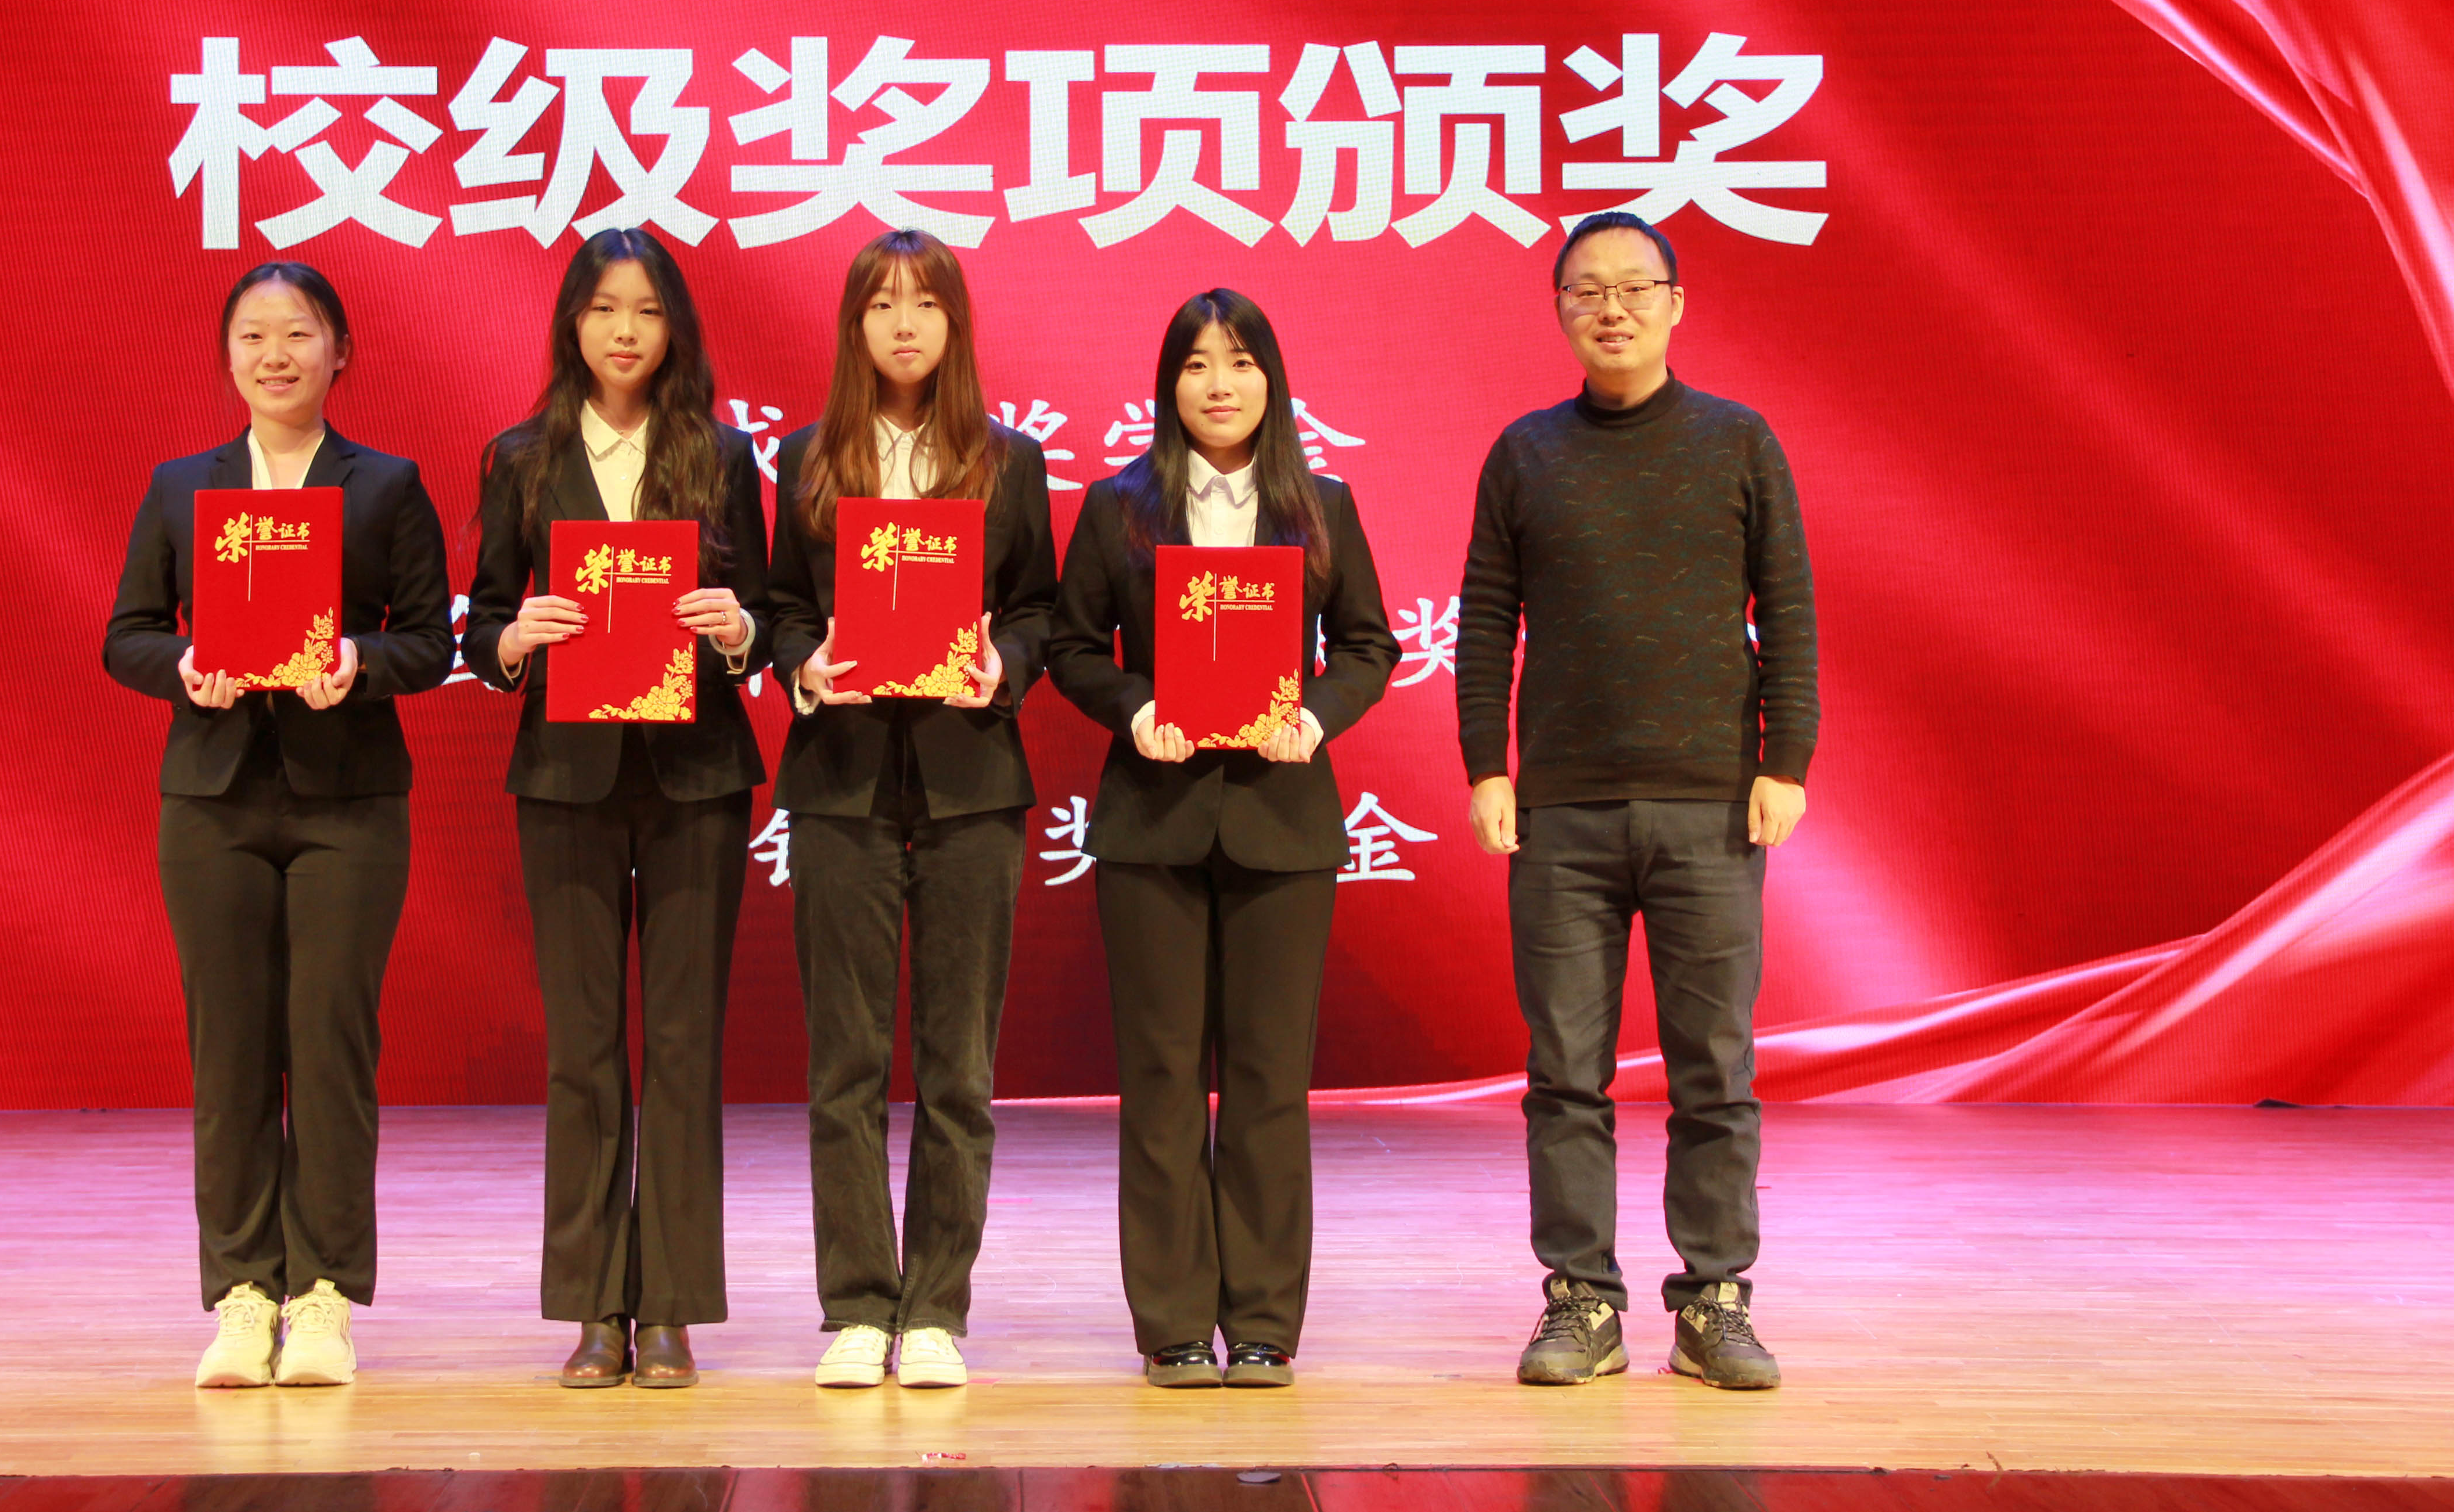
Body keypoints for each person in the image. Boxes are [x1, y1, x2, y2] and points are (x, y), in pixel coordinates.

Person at [1456, 210, 1817, 1392]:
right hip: (1561, 813)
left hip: (1711, 806)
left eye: (1633, 287)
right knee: (1565, 1071)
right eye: (1585, 291)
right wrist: (1487, 765)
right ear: (1559, 310)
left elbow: (1788, 606)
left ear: (1674, 303)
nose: (1609, 308)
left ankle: (1714, 1299)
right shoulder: (1524, 451)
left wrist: (1785, 760)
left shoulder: (1738, 440)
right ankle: (1580, 1300)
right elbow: (1485, 618)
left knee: (1714, 1070)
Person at [103, 260, 452, 1389]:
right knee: (233, 1051)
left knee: (331, 1045)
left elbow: (431, 641)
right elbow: (127, 634)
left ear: (340, 351)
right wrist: (184, 664)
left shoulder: (385, 484)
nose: (274, 355)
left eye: (297, 333)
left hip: (349, 801)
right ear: (228, 357)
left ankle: (325, 1297)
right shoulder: (181, 486)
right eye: (252, 335)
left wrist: (354, 660)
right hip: (214, 800)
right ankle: (244, 1293)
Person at [1047, 290, 1399, 1388]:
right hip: (1152, 824)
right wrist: (1135, 707)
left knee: (1267, 1080)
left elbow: (1368, 646)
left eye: (1240, 362)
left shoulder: (1321, 504)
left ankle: (1261, 1324)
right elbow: (1070, 645)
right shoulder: (1118, 506)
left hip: (1281, 822)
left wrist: (1316, 718)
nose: (1218, 383)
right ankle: (1169, 1323)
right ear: (1169, 384)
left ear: (1271, 381)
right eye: (1197, 363)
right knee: (1158, 1078)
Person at [460, 228, 771, 1391]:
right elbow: (481, 620)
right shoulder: (520, 457)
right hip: (567, 779)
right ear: (572, 325)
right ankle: (596, 1307)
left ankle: (674, 1306)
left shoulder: (721, 453)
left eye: (645, 309)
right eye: (603, 309)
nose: (625, 330)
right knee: (585, 1050)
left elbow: (761, 616)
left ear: (674, 326)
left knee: (683, 1044)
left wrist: (735, 628)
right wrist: (514, 636)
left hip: (696, 778)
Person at [767, 229, 1058, 1391]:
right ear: (852, 326)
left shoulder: (1007, 459)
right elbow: (781, 607)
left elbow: (1037, 609)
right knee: (843, 1063)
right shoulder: (806, 458)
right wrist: (806, 663)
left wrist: (1002, 663)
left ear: (953, 324)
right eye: (880, 304)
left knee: (957, 1068)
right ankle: (855, 1304)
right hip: (839, 782)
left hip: (969, 783)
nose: (902, 323)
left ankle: (934, 1305)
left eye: (924, 303)